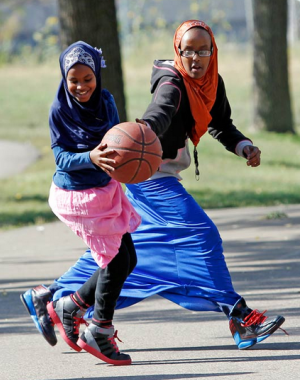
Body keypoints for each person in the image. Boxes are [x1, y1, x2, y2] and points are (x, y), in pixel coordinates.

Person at [21, 21, 286, 353]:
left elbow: (220, 124)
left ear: (212, 52)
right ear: (178, 50)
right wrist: (143, 132)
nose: (195, 58)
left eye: (203, 50)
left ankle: (59, 297)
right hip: (149, 177)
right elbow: (158, 114)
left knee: (134, 255)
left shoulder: (210, 82)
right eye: (188, 50)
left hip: (158, 176)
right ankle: (240, 316)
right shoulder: (171, 84)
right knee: (202, 235)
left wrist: (243, 145)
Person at [21, 41, 142, 366]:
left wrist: (135, 150)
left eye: (87, 78)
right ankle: (99, 331)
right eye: (73, 80)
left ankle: (70, 306)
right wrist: (90, 156)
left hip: (106, 190)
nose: (80, 86)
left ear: (96, 76)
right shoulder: (59, 109)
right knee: (115, 261)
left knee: (128, 258)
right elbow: (61, 157)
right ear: (64, 78)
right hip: (79, 197)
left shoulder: (106, 101)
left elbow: (118, 138)